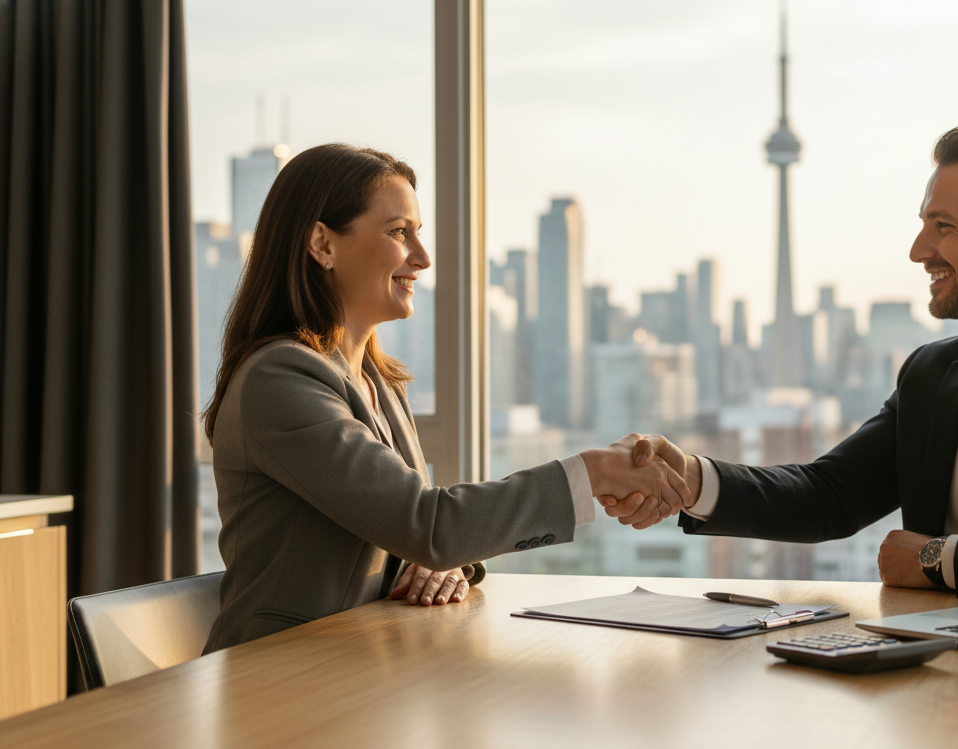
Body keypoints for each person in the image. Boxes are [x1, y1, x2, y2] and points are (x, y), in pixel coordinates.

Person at [603, 126, 958, 599]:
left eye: (944, 227)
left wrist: (936, 558)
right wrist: (690, 480)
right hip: (936, 671)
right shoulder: (931, 375)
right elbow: (826, 495)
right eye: (922, 225)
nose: (918, 251)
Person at [202, 144, 687, 652]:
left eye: (418, 233)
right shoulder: (279, 379)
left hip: (362, 665)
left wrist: (446, 564)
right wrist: (593, 471)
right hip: (275, 677)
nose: (422, 257)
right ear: (322, 243)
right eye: (398, 232)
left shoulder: (378, 381)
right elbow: (426, 523)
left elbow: (408, 532)